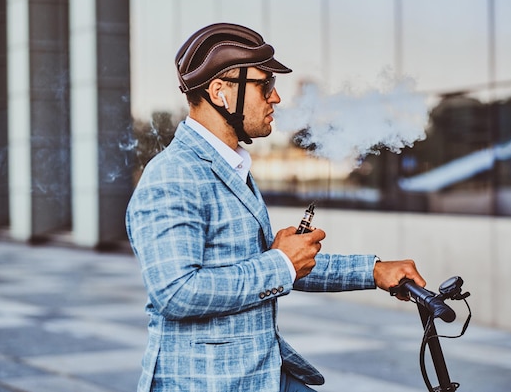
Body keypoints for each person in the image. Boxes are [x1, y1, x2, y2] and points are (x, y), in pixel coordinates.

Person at [125, 22, 426, 392]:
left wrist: (373, 271)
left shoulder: (230, 166)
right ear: (220, 92)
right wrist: (281, 262)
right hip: (207, 383)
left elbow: (278, 263)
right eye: (264, 84)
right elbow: (176, 292)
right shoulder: (173, 176)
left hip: (260, 375)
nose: (276, 97)